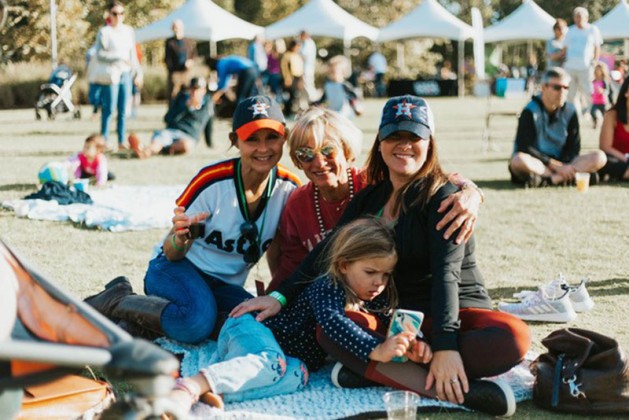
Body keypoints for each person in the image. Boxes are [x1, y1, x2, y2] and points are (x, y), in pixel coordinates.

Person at [233, 96, 529, 417]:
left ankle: (371, 371)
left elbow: (447, 274)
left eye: (413, 136)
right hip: (399, 319)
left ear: (429, 143)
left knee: (513, 338)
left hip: (455, 313)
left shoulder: (443, 196)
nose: (404, 145)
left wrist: (445, 347)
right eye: (394, 136)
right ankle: (464, 392)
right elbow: (327, 249)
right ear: (381, 142)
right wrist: (280, 296)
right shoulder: (371, 196)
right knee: (329, 329)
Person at [85, 96, 301, 344]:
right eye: (252, 139)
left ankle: (138, 327)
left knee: (266, 323)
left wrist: (274, 294)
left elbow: (278, 247)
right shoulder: (212, 182)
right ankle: (118, 299)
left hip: (224, 285)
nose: (263, 148)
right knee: (197, 323)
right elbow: (171, 251)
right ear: (235, 141)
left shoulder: (289, 188)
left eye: (271, 137)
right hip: (176, 268)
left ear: (284, 137)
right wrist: (181, 238)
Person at [167, 218, 401, 414]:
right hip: (251, 327)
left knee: (297, 375)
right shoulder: (328, 286)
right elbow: (333, 323)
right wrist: (375, 349)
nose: (379, 282)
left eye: (386, 274)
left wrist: (409, 341)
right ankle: (188, 387)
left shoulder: (372, 295)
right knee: (272, 362)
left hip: (281, 356)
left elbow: (389, 319)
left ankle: (216, 389)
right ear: (343, 266)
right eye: (370, 272)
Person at [268, 107, 483, 292]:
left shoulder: (376, 182)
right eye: (305, 154)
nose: (318, 162)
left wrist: (472, 192)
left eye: (327, 150)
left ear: (347, 150)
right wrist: (273, 299)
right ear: (297, 161)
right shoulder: (297, 203)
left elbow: (438, 180)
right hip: (329, 297)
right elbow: (291, 268)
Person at [508, 67, 606, 187]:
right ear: (544, 88)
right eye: (557, 87)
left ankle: (551, 180)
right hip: (539, 162)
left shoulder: (571, 111)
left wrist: (563, 166)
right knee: (518, 160)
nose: (562, 92)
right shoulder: (530, 111)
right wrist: (554, 165)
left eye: (566, 88)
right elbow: (525, 147)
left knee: (600, 157)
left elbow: (574, 147)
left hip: (564, 163)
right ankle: (567, 178)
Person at [92, 1, 142, 150]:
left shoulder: (128, 31)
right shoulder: (104, 32)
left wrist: (138, 73)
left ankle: (121, 140)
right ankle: (104, 140)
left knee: (123, 110)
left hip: (126, 74)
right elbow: (99, 55)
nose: (118, 16)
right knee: (108, 109)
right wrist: (118, 57)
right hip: (111, 75)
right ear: (109, 14)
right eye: (115, 13)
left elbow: (132, 54)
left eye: (121, 13)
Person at [129, 77, 213, 158]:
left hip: (188, 136)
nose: (194, 92)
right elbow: (167, 118)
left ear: (203, 91)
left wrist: (209, 143)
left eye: (197, 89)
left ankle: (160, 149)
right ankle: (144, 152)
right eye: (192, 89)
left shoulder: (207, 105)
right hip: (172, 131)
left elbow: (208, 122)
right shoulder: (181, 98)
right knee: (158, 143)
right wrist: (185, 108)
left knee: (186, 146)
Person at [562, 7, 603, 115]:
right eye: (576, 17)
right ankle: (574, 114)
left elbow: (597, 47)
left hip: (586, 66)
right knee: (571, 93)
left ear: (586, 18)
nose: (578, 19)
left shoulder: (592, 29)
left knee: (589, 91)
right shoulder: (570, 31)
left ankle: (593, 112)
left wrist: (595, 61)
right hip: (570, 67)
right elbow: (565, 48)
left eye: (580, 17)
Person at [598, 76, 629, 181]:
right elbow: (605, 147)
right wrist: (626, 159)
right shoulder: (612, 115)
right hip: (616, 160)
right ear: (626, 93)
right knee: (601, 159)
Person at [164, 19, 197, 100]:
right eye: (174, 27)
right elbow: (167, 59)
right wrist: (172, 72)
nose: (176, 29)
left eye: (178, 27)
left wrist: (190, 62)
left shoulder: (188, 41)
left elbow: (193, 54)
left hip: (187, 73)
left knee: (187, 95)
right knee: (174, 97)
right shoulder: (169, 42)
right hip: (175, 74)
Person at [281, 39, 307, 117]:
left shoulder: (298, 55)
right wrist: (287, 78)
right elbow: (284, 68)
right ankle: (287, 111)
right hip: (290, 78)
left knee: (296, 95)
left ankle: (293, 110)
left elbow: (301, 68)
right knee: (289, 96)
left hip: (298, 77)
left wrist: (301, 79)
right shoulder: (287, 55)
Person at [590, 62, 610, 128]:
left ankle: (606, 126)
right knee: (592, 112)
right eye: (596, 69)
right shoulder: (594, 81)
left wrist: (602, 91)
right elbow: (592, 90)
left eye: (599, 70)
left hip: (603, 102)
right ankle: (596, 122)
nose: (598, 71)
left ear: (602, 71)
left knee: (605, 115)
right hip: (595, 101)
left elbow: (607, 91)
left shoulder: (604, 81)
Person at [299, 31, 317, 100]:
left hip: (307, 68)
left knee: (308, 85)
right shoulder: (308, 43)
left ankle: (313, 100)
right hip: (307, 68)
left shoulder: (308, 43)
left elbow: (303, 54)